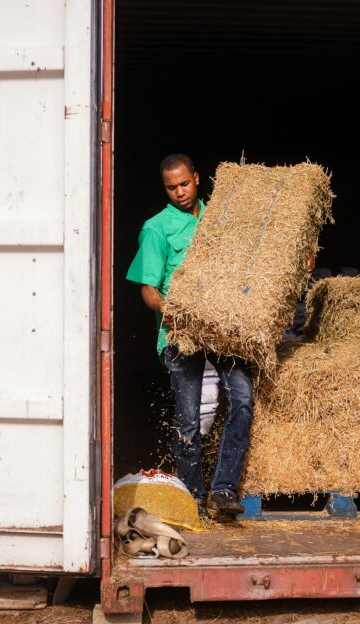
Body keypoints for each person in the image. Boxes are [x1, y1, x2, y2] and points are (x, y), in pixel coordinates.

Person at [125, 153, 254, 520]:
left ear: (197, 178)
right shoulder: (156, 228)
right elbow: (148, 289)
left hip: (222, 328)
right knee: (187, 419)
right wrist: (174, 313)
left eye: (184, 184)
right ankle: (194, 499)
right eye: (171, 187)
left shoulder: (221, 219)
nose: (180, 192)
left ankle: (223, 491)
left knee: (242, 397)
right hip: (179, 333)